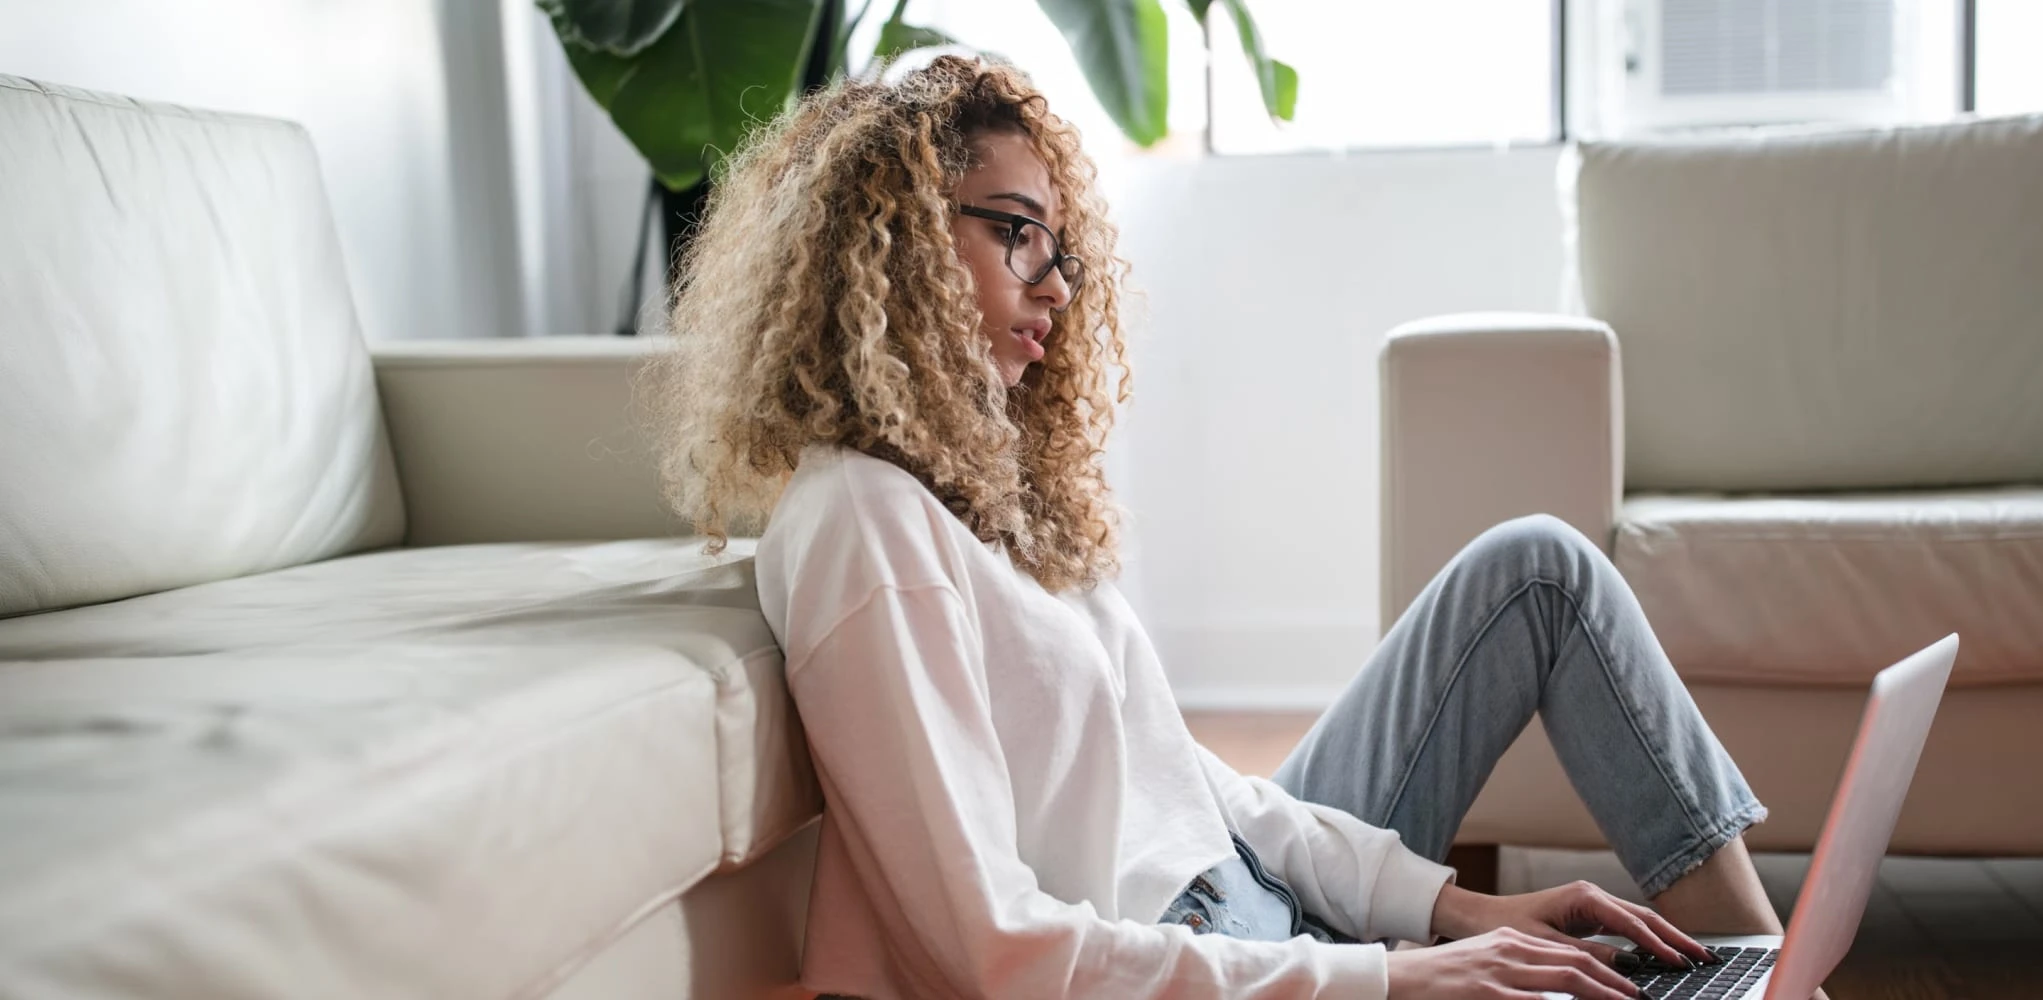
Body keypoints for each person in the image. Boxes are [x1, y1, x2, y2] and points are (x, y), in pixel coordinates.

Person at [652, 54, 1813, 1000]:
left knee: (1539, 569)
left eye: (1058, 250)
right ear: (892, 236)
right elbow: (992, 951)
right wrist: (1386, 978)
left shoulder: (992, 496)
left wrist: (1450, 908)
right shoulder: (864, 519)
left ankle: (1751, 969)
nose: (1053, 287)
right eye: (1013, 231)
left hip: (1258, 907)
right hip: (1208, 958)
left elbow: (1194, 783)